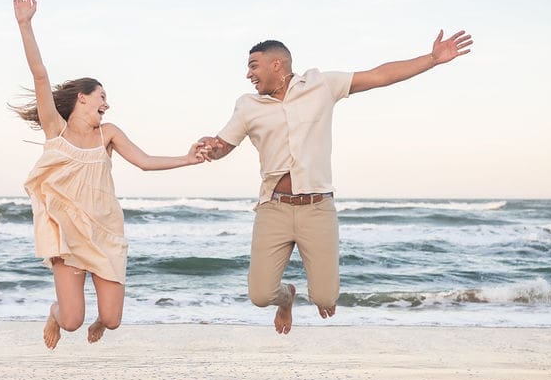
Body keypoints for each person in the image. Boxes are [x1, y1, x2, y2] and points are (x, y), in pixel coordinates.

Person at [199, 31, 473, 334]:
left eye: (253, 66)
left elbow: (379, 75)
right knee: (261, 295)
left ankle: (312, 295)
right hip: (273, 208)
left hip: (317, 208)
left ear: (277, 65)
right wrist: (213, 148)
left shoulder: (321, 85)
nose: (248, 74)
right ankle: (286, 297)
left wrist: (432, 60)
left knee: (325, 298)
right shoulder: (247, 105)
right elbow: (225, 144)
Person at [13, 0, 208, 349]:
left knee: (113, 320)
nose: (107, 103)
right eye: (102, 96)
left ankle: (102, 322)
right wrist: (25, 24)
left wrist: (188, 158)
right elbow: (40, 75)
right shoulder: (56, 130)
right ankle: (55, 313)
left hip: (105, 231)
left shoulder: (109, 134)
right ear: (81, 99)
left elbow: (145, 163)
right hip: (67, 234)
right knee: (72, 321)